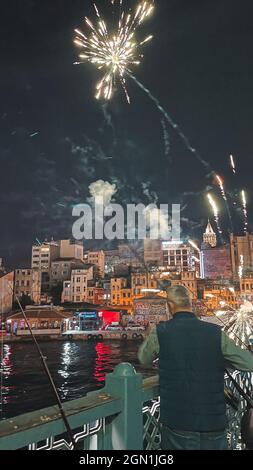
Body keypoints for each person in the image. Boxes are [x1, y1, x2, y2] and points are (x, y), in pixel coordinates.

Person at [138, 285, 253, 450]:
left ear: (169, 305)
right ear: (191, 304)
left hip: (178, 422)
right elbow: (248, 363)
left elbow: (143, 358)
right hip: (214, 423)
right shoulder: (215, 332)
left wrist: (149, 334)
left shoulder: (161, 331)